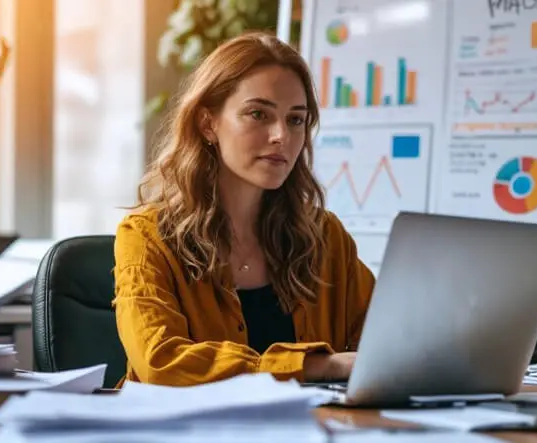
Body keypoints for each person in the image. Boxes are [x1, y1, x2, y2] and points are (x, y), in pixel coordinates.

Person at [112, 31, 375, 387]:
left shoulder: (325, 236)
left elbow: (382, 344)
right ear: (208, 123)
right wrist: (314, 366)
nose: (281, 135)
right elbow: (160, 362)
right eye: (258, 114)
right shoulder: (146, 236)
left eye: (296, 119)